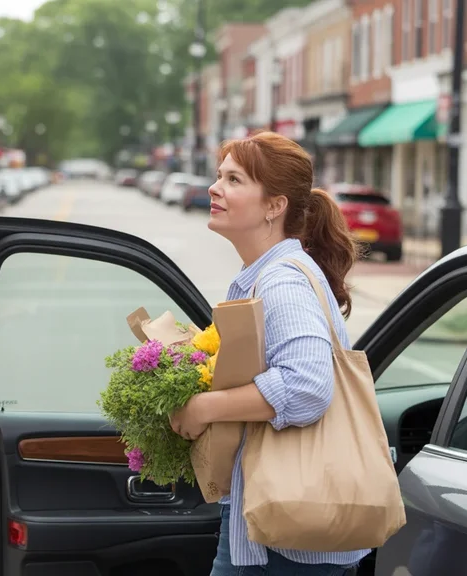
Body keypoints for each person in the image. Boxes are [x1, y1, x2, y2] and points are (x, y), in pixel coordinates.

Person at [168, 131, 365, 576]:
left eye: (234, 180)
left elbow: (307, 386)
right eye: (220, 176)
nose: (216, 188)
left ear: (275, 206)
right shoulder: (266, 275)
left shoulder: (283, 282)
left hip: (285, 549)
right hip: (269, 533)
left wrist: (204, 406)